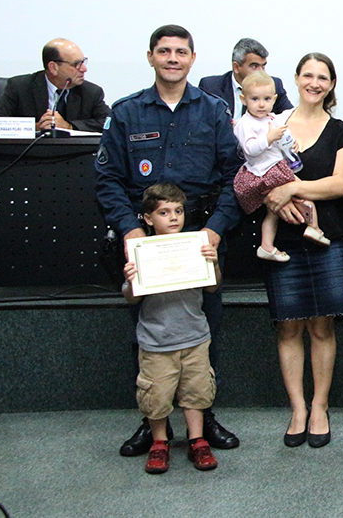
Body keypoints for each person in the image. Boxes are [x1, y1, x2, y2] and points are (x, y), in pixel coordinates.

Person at [95, 24, 241, 457]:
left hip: (199, 237)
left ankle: (203, 418)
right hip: (147, 239)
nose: (172, 59)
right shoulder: (127, 112)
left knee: (204, 328)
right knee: (147, 333)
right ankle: (152, 421)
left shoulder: (213, 110)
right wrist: (131, 230)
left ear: (192, 59)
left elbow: (235, 177)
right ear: (151, 57)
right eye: (164, 51)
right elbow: (107, 179)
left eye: (181, 52)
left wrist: (216, 227)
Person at [261, 52, 343, 450]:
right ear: (297, 79)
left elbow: (339, 185)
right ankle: (297, 408)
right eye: (308, 75)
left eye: (323, 77)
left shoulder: (341, 130)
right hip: (282, 242)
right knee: (289, 327)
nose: (315, 83)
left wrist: (293, 188)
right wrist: (275, 196)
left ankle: (320, 406)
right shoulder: (274, 125)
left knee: (322, 327)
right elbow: (256, 173)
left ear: (331, 84)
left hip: (327, 238)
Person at [122, 183, 222, 474]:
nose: (174, 217)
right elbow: (131, 298)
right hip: (157, 340)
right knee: (156, 395)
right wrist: (131, 279)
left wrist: (213, 264)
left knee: (197, 392)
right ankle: (159, 443)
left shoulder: (196, 245)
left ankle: (197, 440)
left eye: (178, 210)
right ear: (148, 218)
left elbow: (212, 286)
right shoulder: (142, 252)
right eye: (164, 212)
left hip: (194, 336)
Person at [232, 70, 329, 262]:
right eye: (255, 99)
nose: (261, 104)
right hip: (264, 172)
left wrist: (292, 143)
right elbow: (249, 149)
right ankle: (314, 228)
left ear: (274, 99)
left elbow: (284, 138)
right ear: (243, 99)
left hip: (275, 167)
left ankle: (266, 246)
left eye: (267, 99)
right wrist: (268, 138)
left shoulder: (272, 118)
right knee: (304, 192)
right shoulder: (245, 123)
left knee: (273, 212)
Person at [0, 38, 110, 132]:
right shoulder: (19, 87)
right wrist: (36, 128)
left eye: (83, 62)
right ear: (53, 68)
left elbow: (109, 122)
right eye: (76, 64)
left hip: (75, 155)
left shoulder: (91, 92)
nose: (84, 69)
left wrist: (69, 126)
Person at [199, 37, 293, 120]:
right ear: (236, 67)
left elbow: (291, 117)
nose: (261, 72)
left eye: (263, 66)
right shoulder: (211, 87)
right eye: (254, 66)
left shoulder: (273, 85)